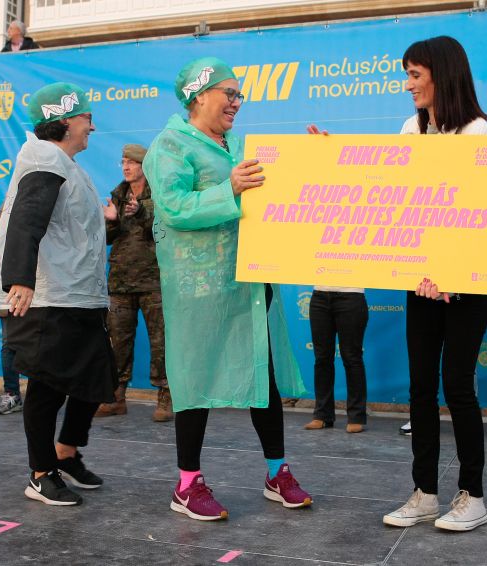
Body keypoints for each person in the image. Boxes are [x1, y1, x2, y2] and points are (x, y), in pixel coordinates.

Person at [143, 56, 311, 521]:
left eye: (239, 94)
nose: (237, 102)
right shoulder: (171, 145)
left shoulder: (238, 145)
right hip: (200, 288)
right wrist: (229, 191)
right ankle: (187, 483)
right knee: (194, 380)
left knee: (265, 377)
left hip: (251, 283)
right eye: (229, 93)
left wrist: (317, 160)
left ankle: (277, 472)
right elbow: (174, 207)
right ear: (200, 96)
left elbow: (277, 192)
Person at [380, 36, 487, 532]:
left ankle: (474, 495)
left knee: (457, 386)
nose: (408, 86)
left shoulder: (476, 130)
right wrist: (325, 158)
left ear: (441, 75)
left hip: (465, 280)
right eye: (407, 75)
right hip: (420, 277)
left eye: (415, 76)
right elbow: (399, 198)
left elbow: (478, 213)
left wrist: (451, 273)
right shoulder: (411, 128)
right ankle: (425, 492)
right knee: (421, 387)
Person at [0, 82, 115, 505]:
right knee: (47, 386)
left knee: (91, 379)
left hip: (77, 293)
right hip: (47, 295)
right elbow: (27, 219)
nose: (92, 127)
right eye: (86, 118)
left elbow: (71, 227)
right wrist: (20, 279)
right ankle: (41, 473)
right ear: (64, 122)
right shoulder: (44, 159)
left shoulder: (67, 165)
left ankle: (65, 453)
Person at [95, 144, 172, 422]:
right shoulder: (117, 196)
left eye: (132, 162)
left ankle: (165, 398)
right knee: (117, 343)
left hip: (154, 282)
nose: (126, 167)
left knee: (161, 343)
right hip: (120, 281)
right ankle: (116, 397)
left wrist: (140, 212)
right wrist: (112, 222)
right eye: (123, 162)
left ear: (144, 166)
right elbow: (105, 238)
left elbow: (165, 230)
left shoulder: (160, 194)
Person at [303, 286, 368, 433]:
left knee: (352, 358)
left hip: (352, 295)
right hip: (320, 295)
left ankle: (356, 417)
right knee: (322, 359)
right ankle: (322, 415)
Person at [0, 206, 23, 415]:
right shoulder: (6, 207)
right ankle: (12, 395)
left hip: (40, 289)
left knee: (41, 343)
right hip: (7, 288)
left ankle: (46, 394)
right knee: (9, 344)